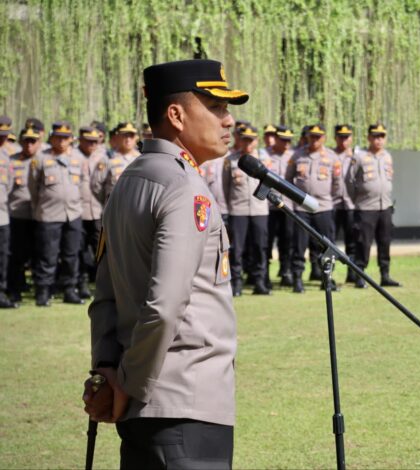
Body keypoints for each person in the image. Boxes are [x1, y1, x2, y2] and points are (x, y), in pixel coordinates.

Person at [83, 59, 247, 468]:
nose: (228, 120)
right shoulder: (183, 188)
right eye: (215, 106)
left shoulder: (131, 180)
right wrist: (129, 386)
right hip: (184, 404)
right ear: (176, 115)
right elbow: (165, 305)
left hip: (148, 407)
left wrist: (107, 373)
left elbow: (104, 296)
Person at [28, 121, 89, 306]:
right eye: (58, 138)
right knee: (48, 255)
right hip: (49, 215)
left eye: (65, 138)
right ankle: (43, 291)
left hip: (73, 214)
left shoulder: (79, 159)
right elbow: (32, 187)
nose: (62, 142)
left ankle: (69, 289)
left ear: (71, 140)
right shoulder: (40, 158)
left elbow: (83, 185)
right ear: (51, 138)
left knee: (71, 254)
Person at [284, 124, 343, 293]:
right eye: (312, 136)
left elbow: (337, 185)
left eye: (318, 136)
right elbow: (288, 180)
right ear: (307, 137)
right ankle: (297, 280)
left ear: (324, 138)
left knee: (327, 246)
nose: (315, 139)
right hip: (302, 208)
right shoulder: (297, 155)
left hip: (323, 207)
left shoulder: (332, 157)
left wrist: (328, 199)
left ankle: (327, 280)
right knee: (299, 244)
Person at [346, 123, 401, 288]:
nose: (379, 140)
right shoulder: (360, 157)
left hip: (385, 207)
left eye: (382, 136)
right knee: (363, 243)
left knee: (385, 241)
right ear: (369, 137)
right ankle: (360, 275)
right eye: (375, 136)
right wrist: (357, 199)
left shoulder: (387, 156)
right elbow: (349, 181)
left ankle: (385, 275)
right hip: (366, 208)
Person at [222, 124, 271, 295]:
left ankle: (260, 282)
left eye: (251, 140)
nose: (248, 144)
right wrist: (229, 208)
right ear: (239, 140)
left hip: (259, 210)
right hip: (238, 210)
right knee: (237, 249)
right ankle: (236, 283)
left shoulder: (265, 160)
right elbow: (226, 187)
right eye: (245, 140)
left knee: (260, 247)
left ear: (257, 141)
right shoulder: (231, 160)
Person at [7, 125, 43, 303]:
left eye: (33, 141)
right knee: (17, 255)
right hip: (18, 215)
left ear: (39, 143)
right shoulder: (11, 160)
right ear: (20, 142)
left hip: (40, 216)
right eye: (26, 140)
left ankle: (40, 289)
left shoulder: (45, 160)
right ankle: (16, 288)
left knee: (40, 254)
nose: (29, 144)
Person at [75, 126, 106, 298]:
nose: (91, 145)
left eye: (95, 142)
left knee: (100, 249)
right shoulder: (72, 156)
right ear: (80, 140)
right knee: (78, 249)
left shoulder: (103, 158)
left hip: (97, 211)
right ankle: (81, 282)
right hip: (77, 212)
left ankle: (99, 283)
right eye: (88, 141)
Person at [265, 125, 295, 287]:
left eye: (289, 141)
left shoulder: (293, 156)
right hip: (269, 207)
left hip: (287, 206)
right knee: (267, 242)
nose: (286, 144)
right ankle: (265, 275)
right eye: (283, 140)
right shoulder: (265, 155)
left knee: (287, 241)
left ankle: (286, 272)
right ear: (275, 139)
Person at [332, 124, 358, 283]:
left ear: (351, 138)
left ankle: (353, 272)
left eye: (346, 136)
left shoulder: (356, 157)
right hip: (333, 205)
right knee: (329, 242)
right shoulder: (329, 155)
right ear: (335, 138)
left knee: (352, 241)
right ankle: (328, 274)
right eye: (340, 136)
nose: (343, 140)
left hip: (350, 204)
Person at [91, 122, 141, 204]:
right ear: (118, 137)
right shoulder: (108, 159)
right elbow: (96, 185)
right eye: (125, 135)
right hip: (114, 209)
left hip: (136, 208)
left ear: (136, 137)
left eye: (131, 135)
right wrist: (108, 202)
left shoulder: (141, 159)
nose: (128, 139)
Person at [0, 118, 15, 308]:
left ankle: (1, 293)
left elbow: (9, 184)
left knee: (2, 255)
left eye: (4, 136)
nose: (2, 139)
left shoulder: (6, 156)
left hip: (2, 214)